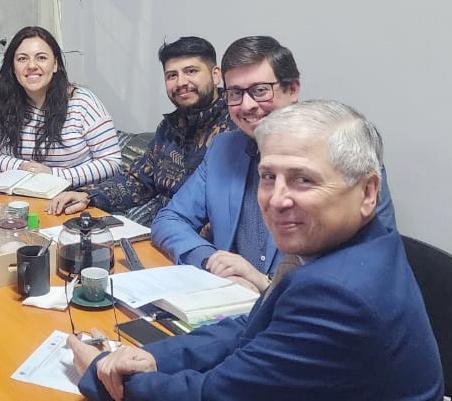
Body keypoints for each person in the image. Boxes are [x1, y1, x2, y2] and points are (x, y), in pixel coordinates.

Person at [69, 100, 443, 401]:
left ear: (368, 192)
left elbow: (214, 396)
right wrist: (153, 356)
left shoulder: (334, 293)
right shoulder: (363, 242)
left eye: (303, 179)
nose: (276, 200)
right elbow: (253, 326)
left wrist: (106, 376)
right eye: (268, 177)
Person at [151, 36, 396, 292]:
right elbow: (170, 219)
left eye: (260, 90)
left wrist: (266, 285)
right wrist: (212, 261)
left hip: (307, 306)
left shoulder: (340, 152)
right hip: (225, 298)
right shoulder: (223, 148)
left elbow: (375, 267)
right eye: (235, 93)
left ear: (292, 89)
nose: (247, 105)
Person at [47, 37, 236, 224]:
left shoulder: (236, 126)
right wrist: (88, 196)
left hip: (203, 239)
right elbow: (138, 182)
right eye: (172, 75)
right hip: (162, 231)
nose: (181, 82)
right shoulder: (170, 127)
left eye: (191, 71)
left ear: (216, 75)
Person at [0, 26, 122, 188]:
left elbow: (112, 162)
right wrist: (20, 166)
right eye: (22, 59)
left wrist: (53, 175)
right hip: (25, 193)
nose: (31, 65)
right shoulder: (4, 103)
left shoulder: (82, 102)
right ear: (13, 67)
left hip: (75, 194)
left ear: (55, 64)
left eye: (41, 58)